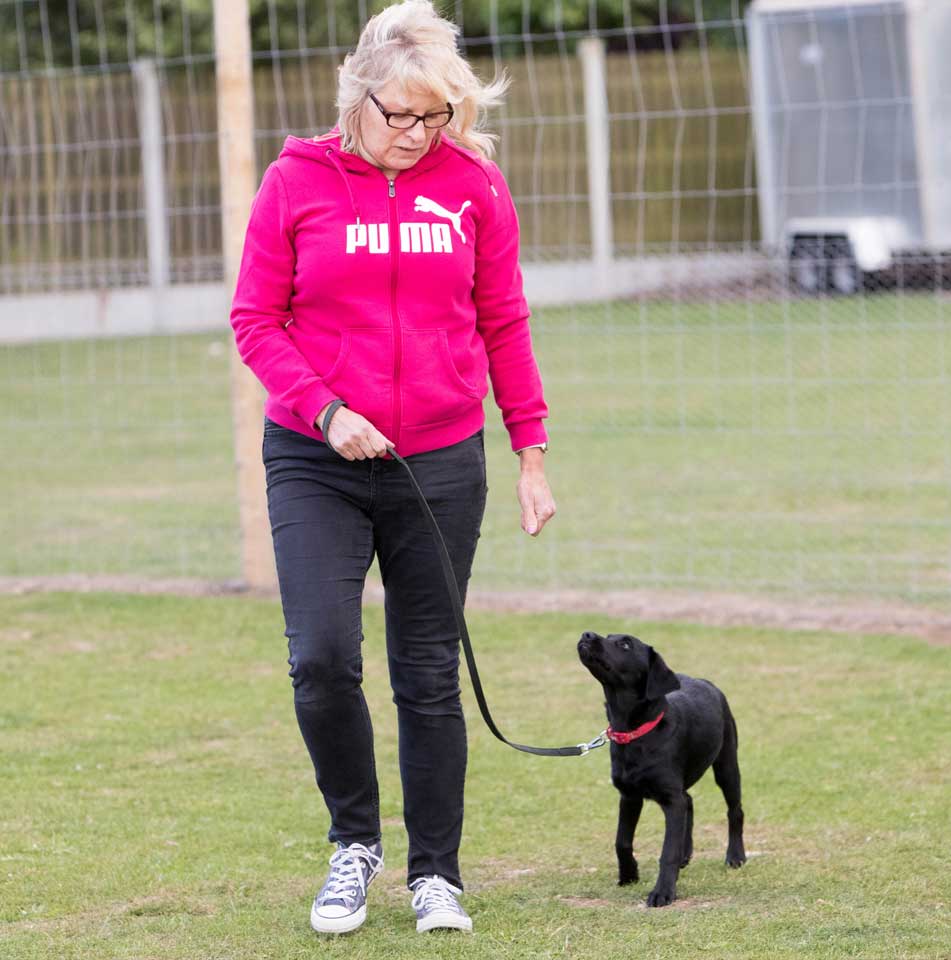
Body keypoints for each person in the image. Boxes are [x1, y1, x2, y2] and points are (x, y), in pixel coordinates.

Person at [229, 0, 556, 936]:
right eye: (400, 115)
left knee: (427, 670)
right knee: (323, 659)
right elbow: (256, 318)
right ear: (354, 96)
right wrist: (327, 410)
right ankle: (353, 846)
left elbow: (504, 320)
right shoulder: (295, 182)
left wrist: (530, 454)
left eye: (435, 116)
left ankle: (436, 874)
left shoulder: (474, 188)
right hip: (316, 455)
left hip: (442, 459)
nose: (416, 135)